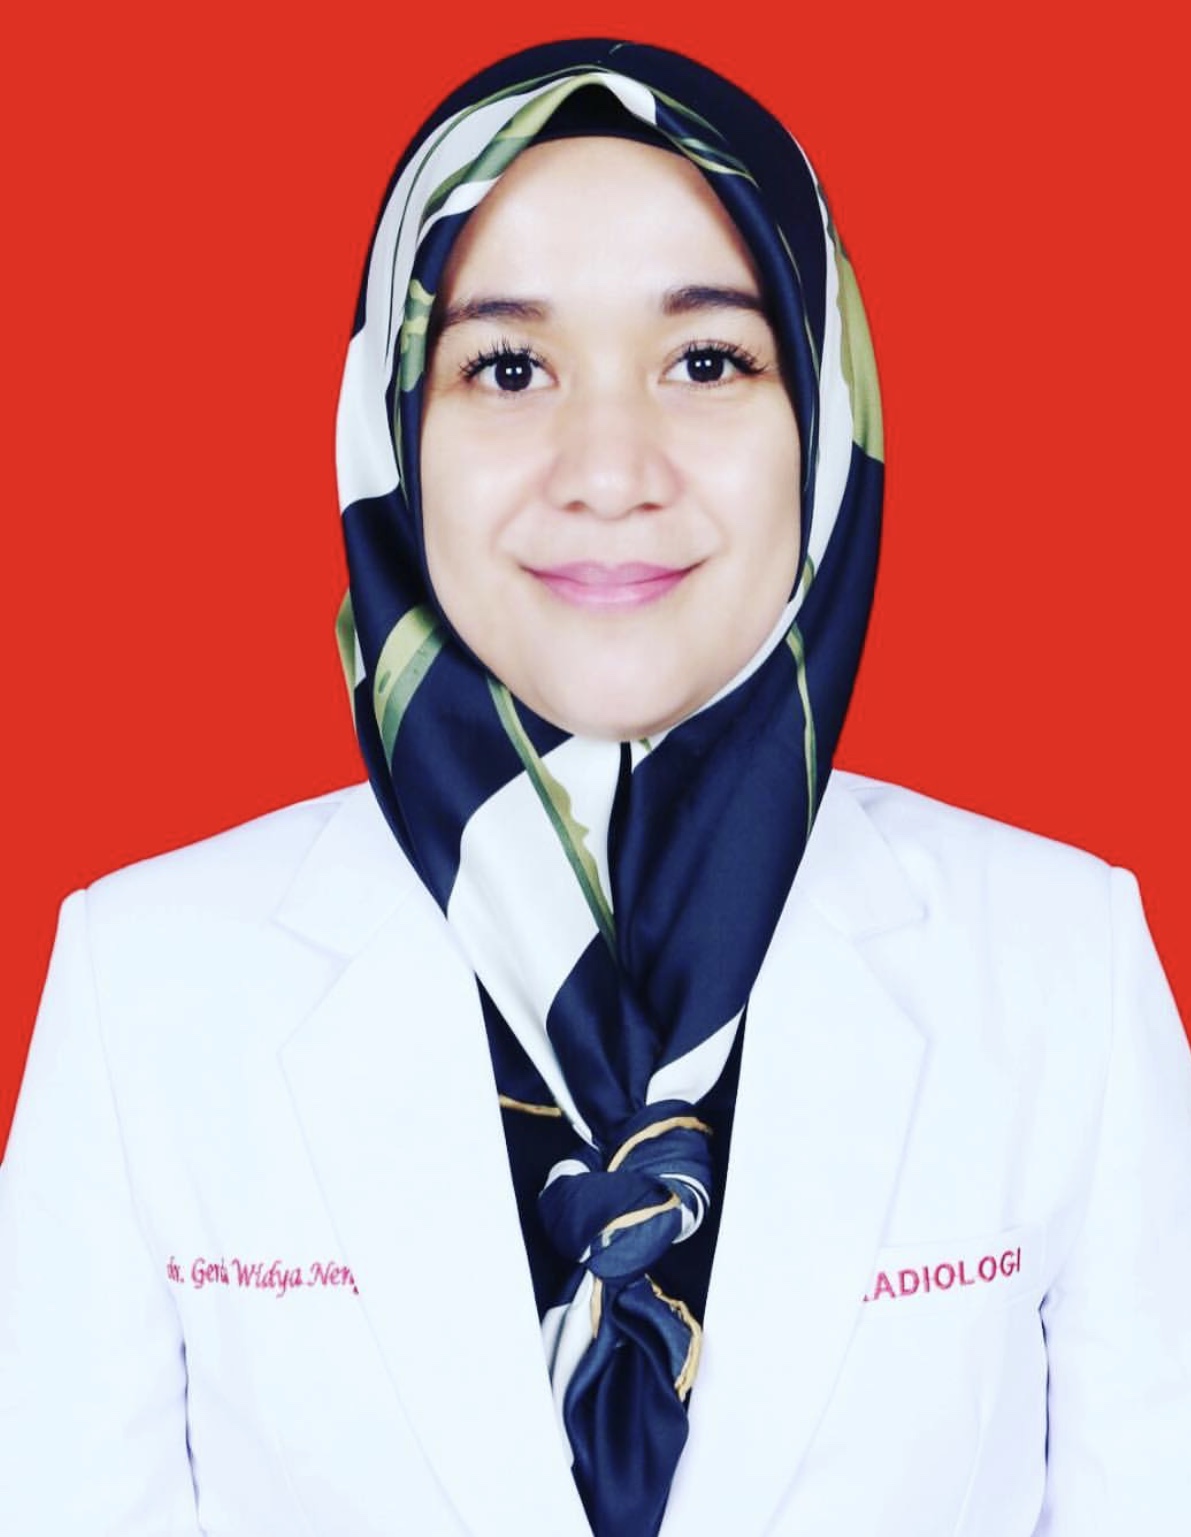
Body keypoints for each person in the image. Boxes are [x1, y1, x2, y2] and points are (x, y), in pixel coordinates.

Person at [2, 36, 1189, 1537]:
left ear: (822, 420)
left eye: (708, 361)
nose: (610, 468)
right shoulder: (144, 988)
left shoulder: (1063, 966)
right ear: (393, 432)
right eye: (508, 368)